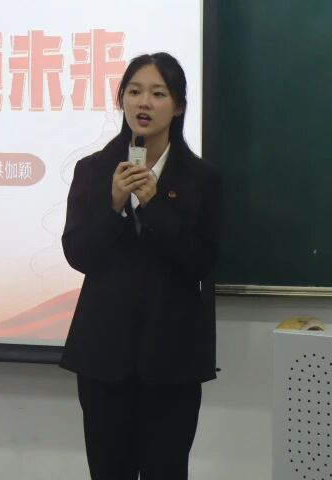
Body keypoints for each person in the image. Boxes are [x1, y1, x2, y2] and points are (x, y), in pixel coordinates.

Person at [60, 52, 223, 480]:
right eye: (134, 92)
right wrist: (114, 205)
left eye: (158, 93)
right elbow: (78, 254)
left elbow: (200, 263)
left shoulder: (202, 180)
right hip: (103, 357)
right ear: (122, 101)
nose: (144, 103)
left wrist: (153, 206)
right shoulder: (93, 171)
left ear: (179, 106)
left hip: (172, 361)